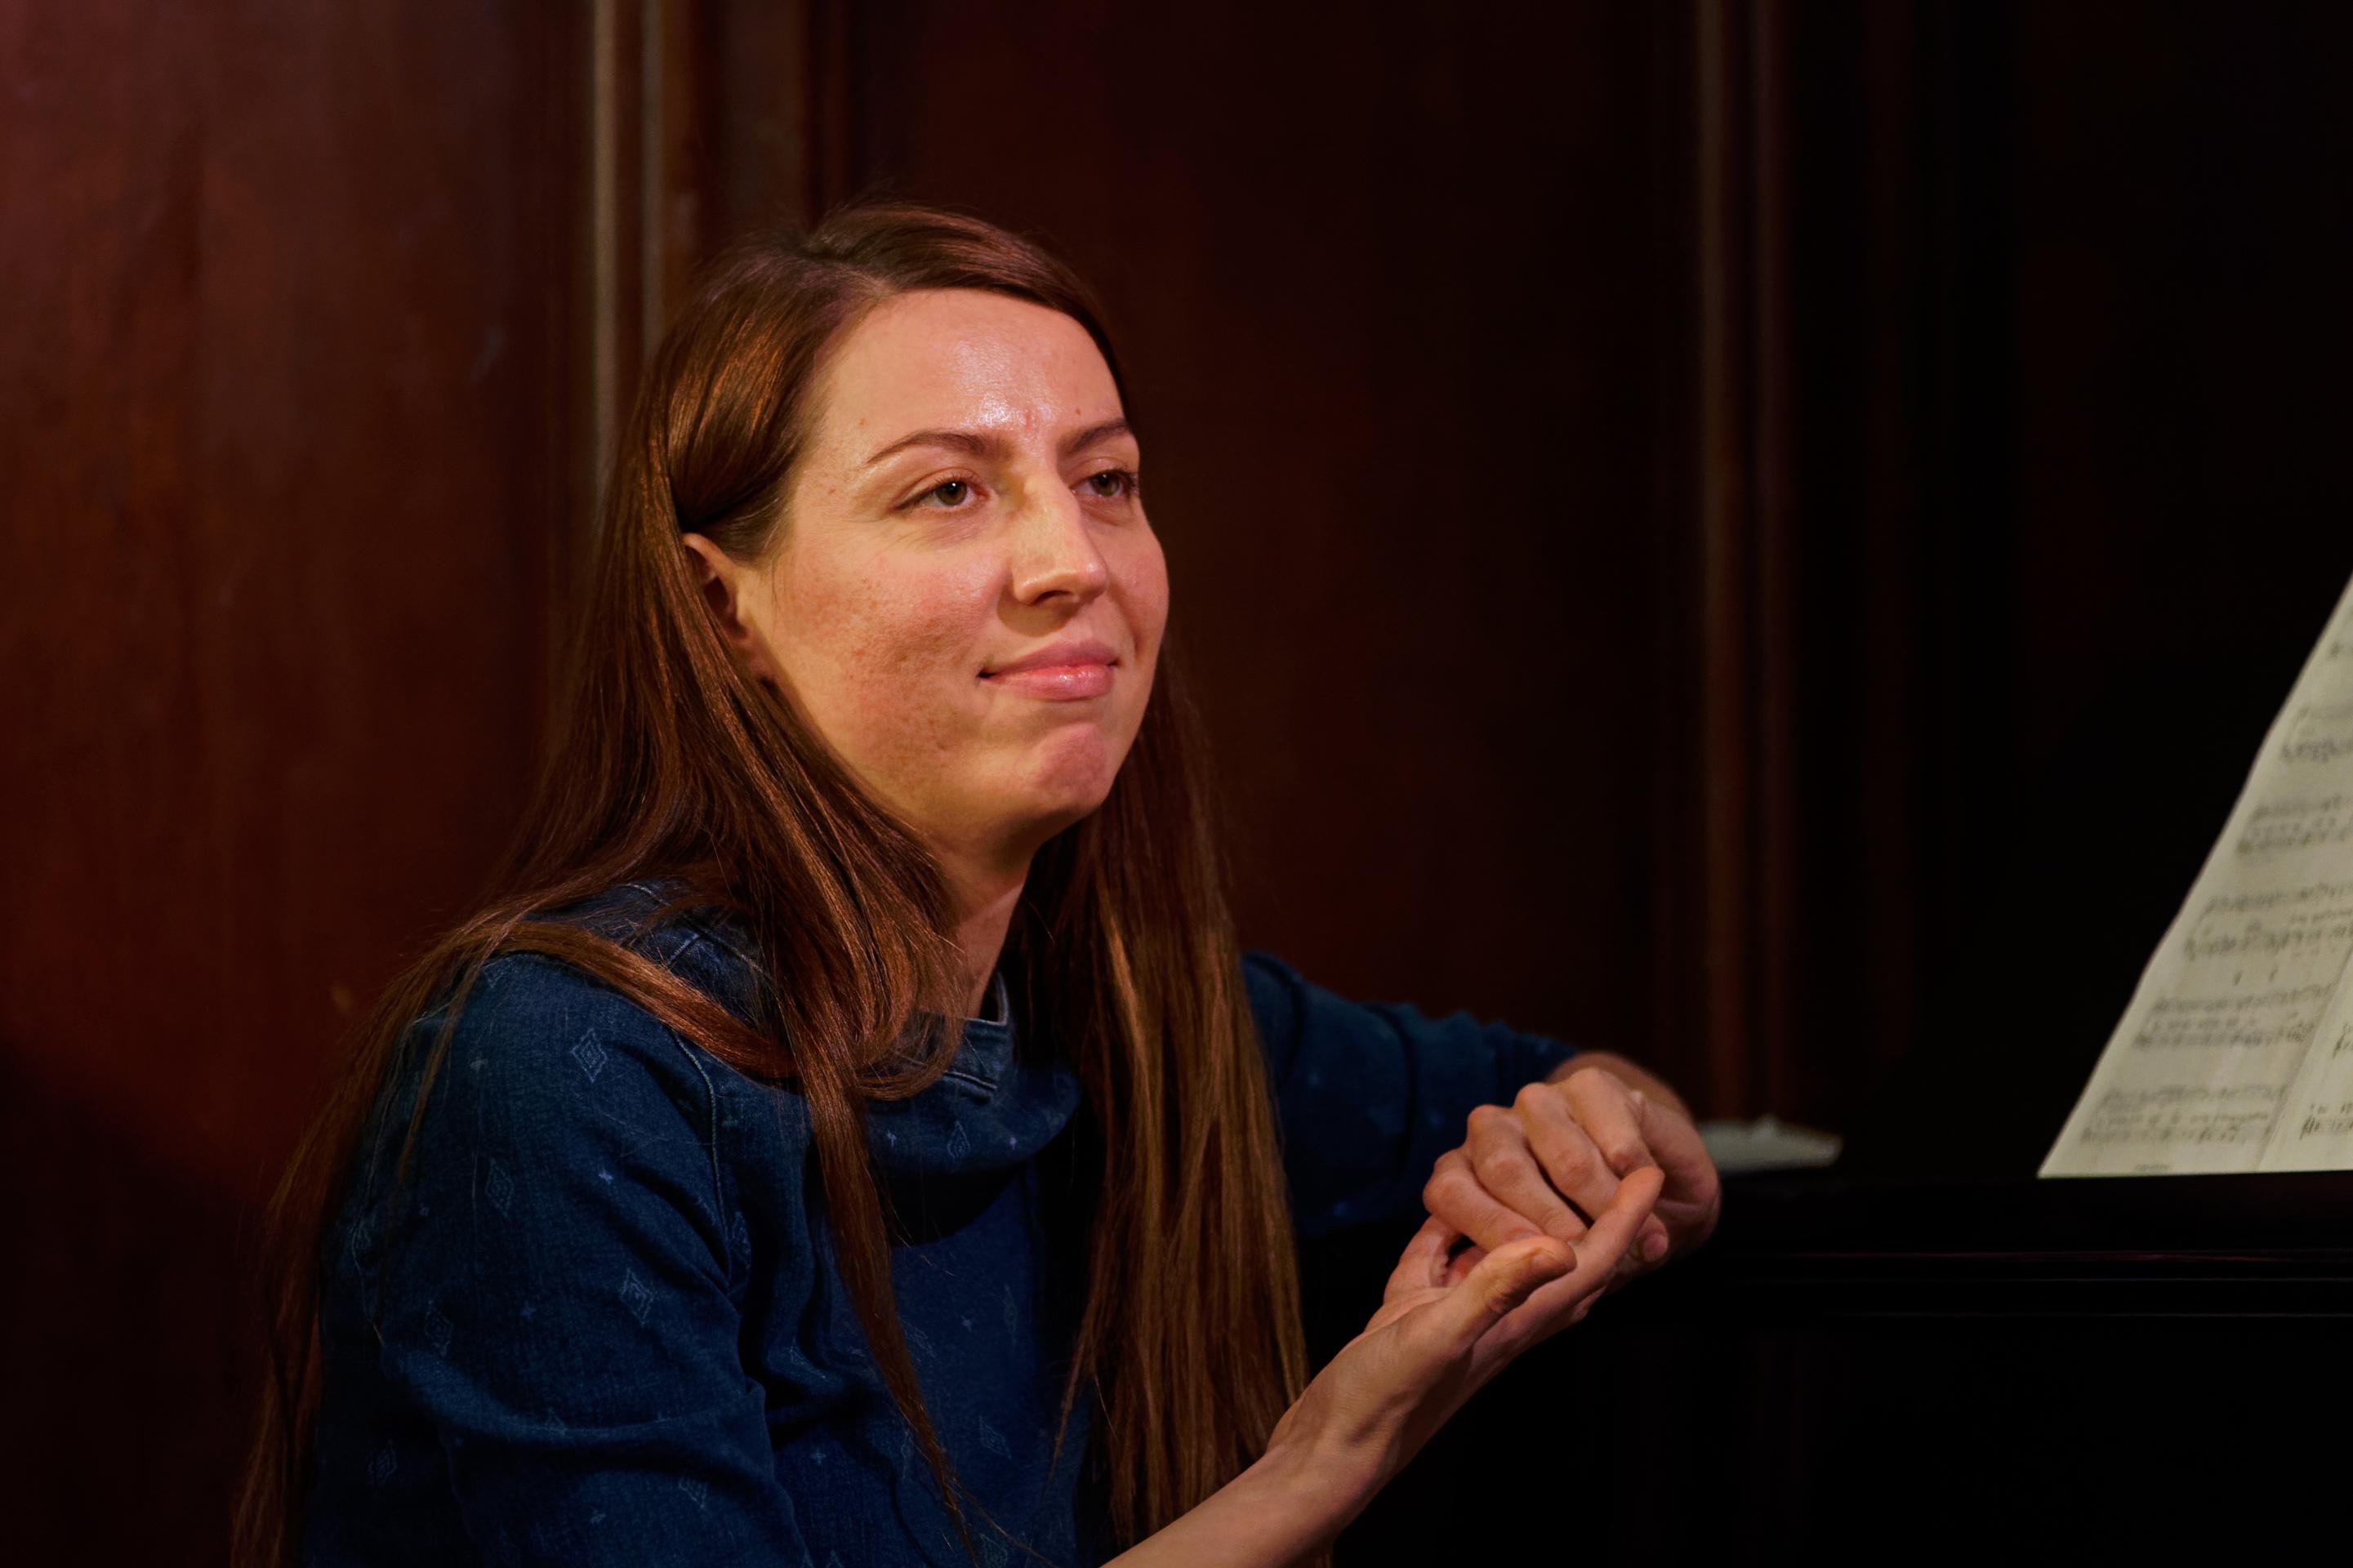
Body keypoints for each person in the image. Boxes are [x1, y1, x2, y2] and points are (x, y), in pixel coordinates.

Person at [237, 199, 1722, 1568]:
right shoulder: (567, 1069)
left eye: (1107, 480)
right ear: (720, 606)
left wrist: (1597, 1146)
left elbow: (1601, 1097)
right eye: (948, 490)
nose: (1071, 560)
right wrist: (1314, 1467)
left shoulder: (1134, 1014)